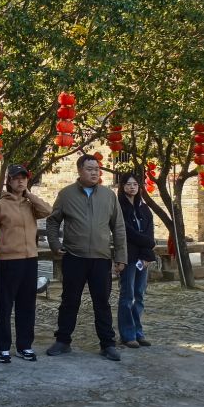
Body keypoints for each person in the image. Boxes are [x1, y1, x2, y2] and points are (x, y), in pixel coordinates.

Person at [46, 155, 127, 362]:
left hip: (101, 258)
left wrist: (121, 256)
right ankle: (63, 341)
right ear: (80, 171)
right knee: (69, 301)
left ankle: (107, 344)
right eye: (90, 169)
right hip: (74, 257)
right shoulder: (66, 194)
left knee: (102, 303)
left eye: (97, 169)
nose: (94, 172)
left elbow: (118, 227)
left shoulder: (108, 195)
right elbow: (53, 221)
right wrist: (55, 244)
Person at [0, 164, 51, 362]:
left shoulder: (30, 205)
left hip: (30, 259)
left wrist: (29, 195)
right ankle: (3, 347)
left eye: (23, 178)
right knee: (5, 306)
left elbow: (48, 210)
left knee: (27, 305)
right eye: (16, 178)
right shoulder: (1, 205)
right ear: (9, 180)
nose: (20, 181)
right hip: (8, 261)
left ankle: (24, 345)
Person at [116, 172, 158, 349]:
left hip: (143, 257)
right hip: (128, 256)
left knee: (139, 295)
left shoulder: (144, 208)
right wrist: (150, 244)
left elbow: (149, 232)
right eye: (128, 184)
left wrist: (147, 254)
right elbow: (128, 233)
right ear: (122, 186)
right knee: (127, 296)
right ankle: (127, 335)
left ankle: (138, 332)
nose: (132, 187)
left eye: (135, 184)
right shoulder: (119, 207)